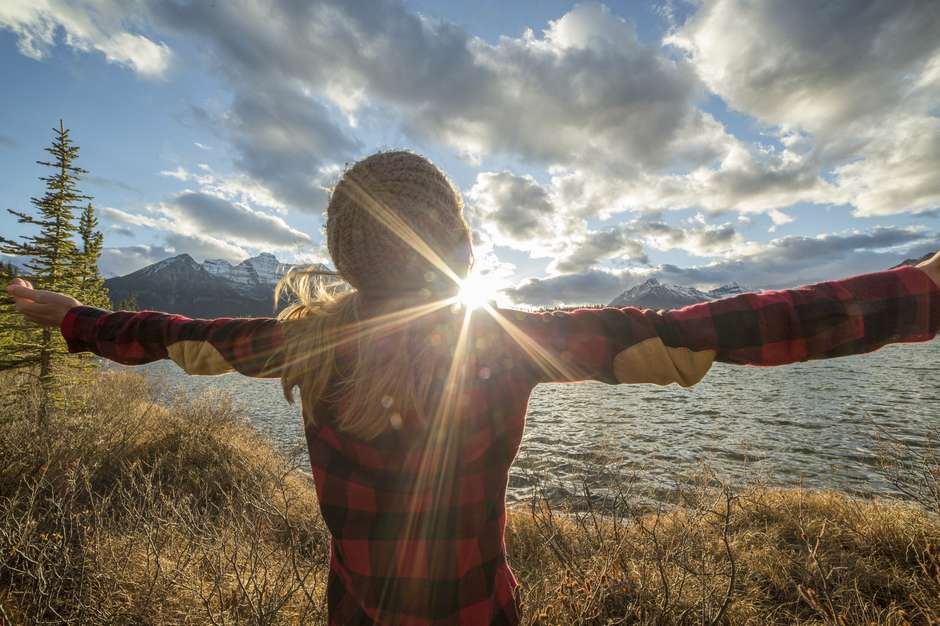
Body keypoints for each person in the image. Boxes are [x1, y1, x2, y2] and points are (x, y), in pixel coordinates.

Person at [6, 151, 940, 625]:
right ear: (457, 246)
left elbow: (170, 339)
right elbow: (715, 330)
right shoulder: (506, 343)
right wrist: (919, 291)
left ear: (342, 256)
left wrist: (67, 315)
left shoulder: (291, 346)